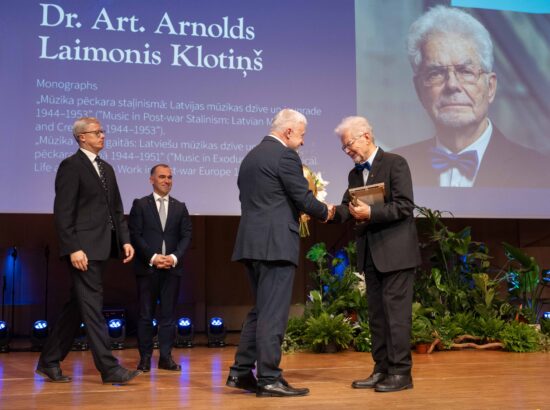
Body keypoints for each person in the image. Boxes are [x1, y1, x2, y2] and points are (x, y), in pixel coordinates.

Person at [226, 108, 335, 397]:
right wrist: (328, 212)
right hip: (274, 245)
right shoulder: (285, 155)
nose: (301, 143)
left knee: (261, 311)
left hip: (251, 244)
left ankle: (240, 373)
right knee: (273, 315)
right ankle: (269, 378)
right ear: (288, 132)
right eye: (301, 135)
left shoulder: (250, 157)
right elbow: (302, 198)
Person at [393, 5, 548, 188]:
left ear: (490, 87)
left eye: (465, 71)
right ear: (419, 91)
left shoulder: (542, 171)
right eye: (436, 73)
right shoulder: (391, 170)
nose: (452, 85)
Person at [35, 117, 141, 385]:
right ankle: (109, 368)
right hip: (83, 250)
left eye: (102, 132)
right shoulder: (71, 166)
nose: (103, 136)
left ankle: (49, 361)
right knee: (93, 307)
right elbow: (63, 211)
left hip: (104, 247)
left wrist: (125, 240)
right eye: (97, 132)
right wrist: (73, 248)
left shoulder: (106, 168)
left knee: (77, 306)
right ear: (82, 137)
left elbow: (116, 208)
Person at [333, 116, 420, 392]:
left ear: (366, 137)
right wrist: (326, 212)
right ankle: (381, 369)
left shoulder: (395, 163)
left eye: (349, 145)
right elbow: (348, 208)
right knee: (377, 317)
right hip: (371, 255)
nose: (348, 151)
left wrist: (371, 212)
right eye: (344, 148)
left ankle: (401, 374)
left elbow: (405, 207)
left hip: (397, 255)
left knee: (396, 316)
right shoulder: (354, 174)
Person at [128, 164, 192, 373]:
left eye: (170, 177)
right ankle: (145, 359)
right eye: (162, 177)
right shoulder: (140, 205)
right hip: (148, 268)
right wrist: (153, 257)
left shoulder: (180, 206)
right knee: (146, 315)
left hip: (172, 269)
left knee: (168, 316)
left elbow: (186, 236)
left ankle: (165, 357)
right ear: (152, 180)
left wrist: (173, 257)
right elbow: (135, 235)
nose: (167, 181)